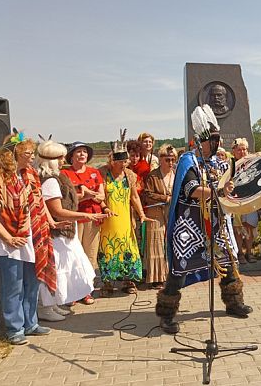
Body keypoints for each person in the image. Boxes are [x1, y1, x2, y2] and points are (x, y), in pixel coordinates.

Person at [155, 105, 251, 334]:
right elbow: (191, 189)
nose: (217, 144)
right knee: (179, 270)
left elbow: (229, 185)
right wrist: (219, 190)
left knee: (228, 264)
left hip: (215, 225)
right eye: (213, 140)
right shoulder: (189, 161)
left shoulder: (217, 162)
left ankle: (233, 303)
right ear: (201, 140)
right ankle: (166, 315)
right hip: (189, 226)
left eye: (217, 140)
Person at [0, 131, 54, 345]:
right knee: (13, 286)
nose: (32, 156)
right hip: (6, 240)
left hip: (30, 237)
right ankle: (14, 329)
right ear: (13, 154)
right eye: (28, 153)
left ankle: (31, 323)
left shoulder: (30, 174)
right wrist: (8, 237)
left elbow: (38, 205)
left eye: (33, 152)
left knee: (31, 283)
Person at [36, 139, 107, 321]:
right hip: (57, 231)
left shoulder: (57, 177)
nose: (63, 160)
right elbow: (56, 210)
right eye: (60, 157)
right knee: (56, 269)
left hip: (65, 229)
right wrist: (86, 215)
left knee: (66, 267)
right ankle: (45, 306)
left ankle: (55, 303)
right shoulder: (50, 181)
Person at [98, 130, 150, 295]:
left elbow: (134, 197)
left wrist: (141, 214)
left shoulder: (130, 176)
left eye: (124, 161)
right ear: (112, 161)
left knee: (128, 247)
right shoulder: (102, 174)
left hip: (125, 219)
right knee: (107, 248)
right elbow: (99, 196)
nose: (122, 164)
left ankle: (128, 280)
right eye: (119, 161)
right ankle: (107, 282)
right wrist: (104, 208)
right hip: (108, 219)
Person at [61, 141, 105, 305]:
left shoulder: (94, 172)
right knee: (73, 256)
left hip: (92, 218)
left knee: (90, 255)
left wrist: (87, 196)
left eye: (84, 152)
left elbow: (101, 196)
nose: (82, 154)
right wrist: (86, 196)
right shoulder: (64, 174)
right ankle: (73, 293)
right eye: (78, 152)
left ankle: (87, 291)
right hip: (74, 218)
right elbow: (65, 198)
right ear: (71, 156)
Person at [142, 144, 176, 289]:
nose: (170, 163)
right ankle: (157, 277)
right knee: (156, 244)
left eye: (173, 159)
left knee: (171, 242)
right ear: (161, 160)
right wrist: (165, 198)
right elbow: (147, 194)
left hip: (172, 212)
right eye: (167, 160)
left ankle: (170, 274)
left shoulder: (176, 174)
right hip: (155, 213)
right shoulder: (153, 176)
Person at [231, 137, 258, 263]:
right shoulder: (230, 165)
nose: (242, 152)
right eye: (239, 150)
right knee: (238, 227)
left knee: (250, 226)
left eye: (244, 149)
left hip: (250, 199)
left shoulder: (253, 163)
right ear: (234, 151)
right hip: (236, 200)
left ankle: (249, 252)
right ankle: (239, 253)